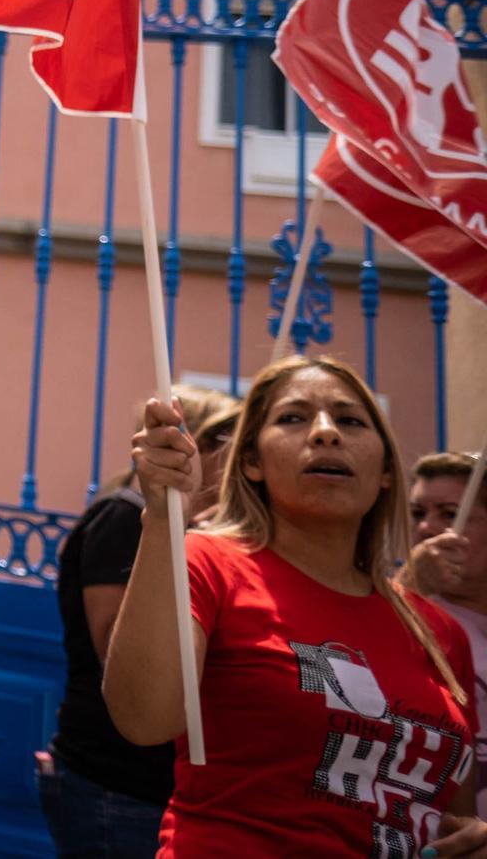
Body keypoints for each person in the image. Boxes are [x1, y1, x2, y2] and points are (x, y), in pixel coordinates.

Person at [105, 354, 487, 856]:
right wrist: (162, 517)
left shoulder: (440, 632)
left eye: (349, 420)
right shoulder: (207, 562)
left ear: (387, 471)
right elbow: (143, 718)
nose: (326, 432)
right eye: (293, 418)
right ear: (252, 462)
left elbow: (446, 813)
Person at [38, 386, 237, 859]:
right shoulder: (123, 520)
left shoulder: (206, 537)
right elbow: (116, 652)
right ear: (197, 444)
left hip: (165, 784)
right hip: (115, 781)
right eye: (232, 440)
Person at [405, 452, 487, 817]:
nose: (426, 528)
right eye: (418, 514)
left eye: (450, 514)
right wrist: (411, 584)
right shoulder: (405, 605)